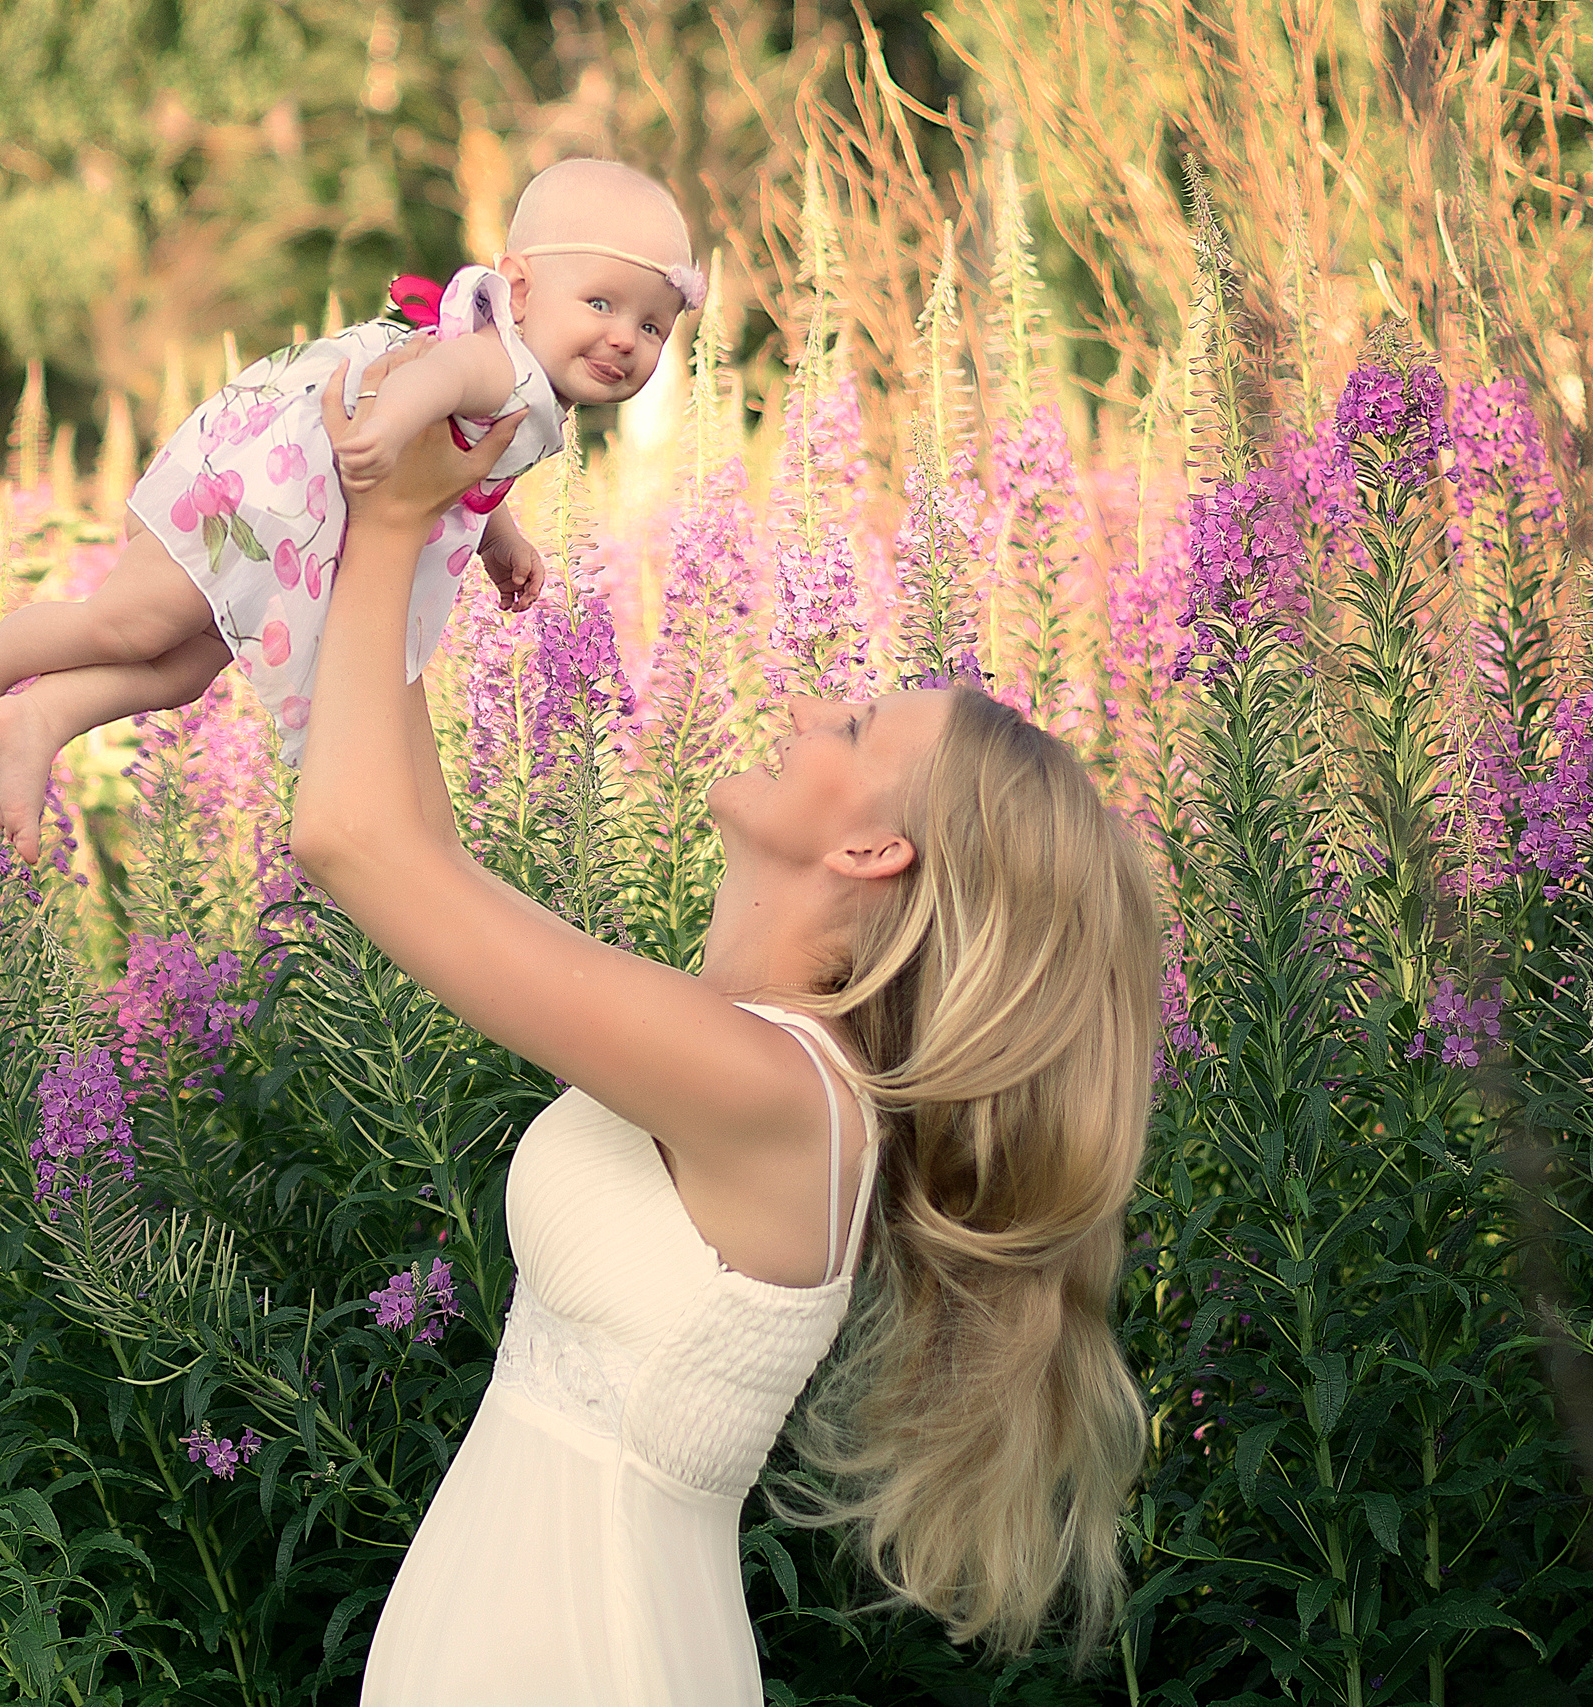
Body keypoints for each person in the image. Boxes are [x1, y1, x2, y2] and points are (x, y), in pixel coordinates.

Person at [291, 338, 1163, 1704]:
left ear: (877, 850)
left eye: (860, 725)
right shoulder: (758, 1059)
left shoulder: (778, 1090)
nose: (813, 703)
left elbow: (349, 837)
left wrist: (396, 515)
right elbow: (419, 852)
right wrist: (421, 528)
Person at [0, 157, 706, 861]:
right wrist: (385, 429)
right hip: (260, 498)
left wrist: (502, 536)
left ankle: (41, 718)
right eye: (601, 303)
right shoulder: (496, 358)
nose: (623, 339)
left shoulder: (527, 378)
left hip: (294, 524)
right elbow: (437, 385)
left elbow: (468, 458)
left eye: (651, 326)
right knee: (128, 622)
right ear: (522, 289)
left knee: (189, 668)